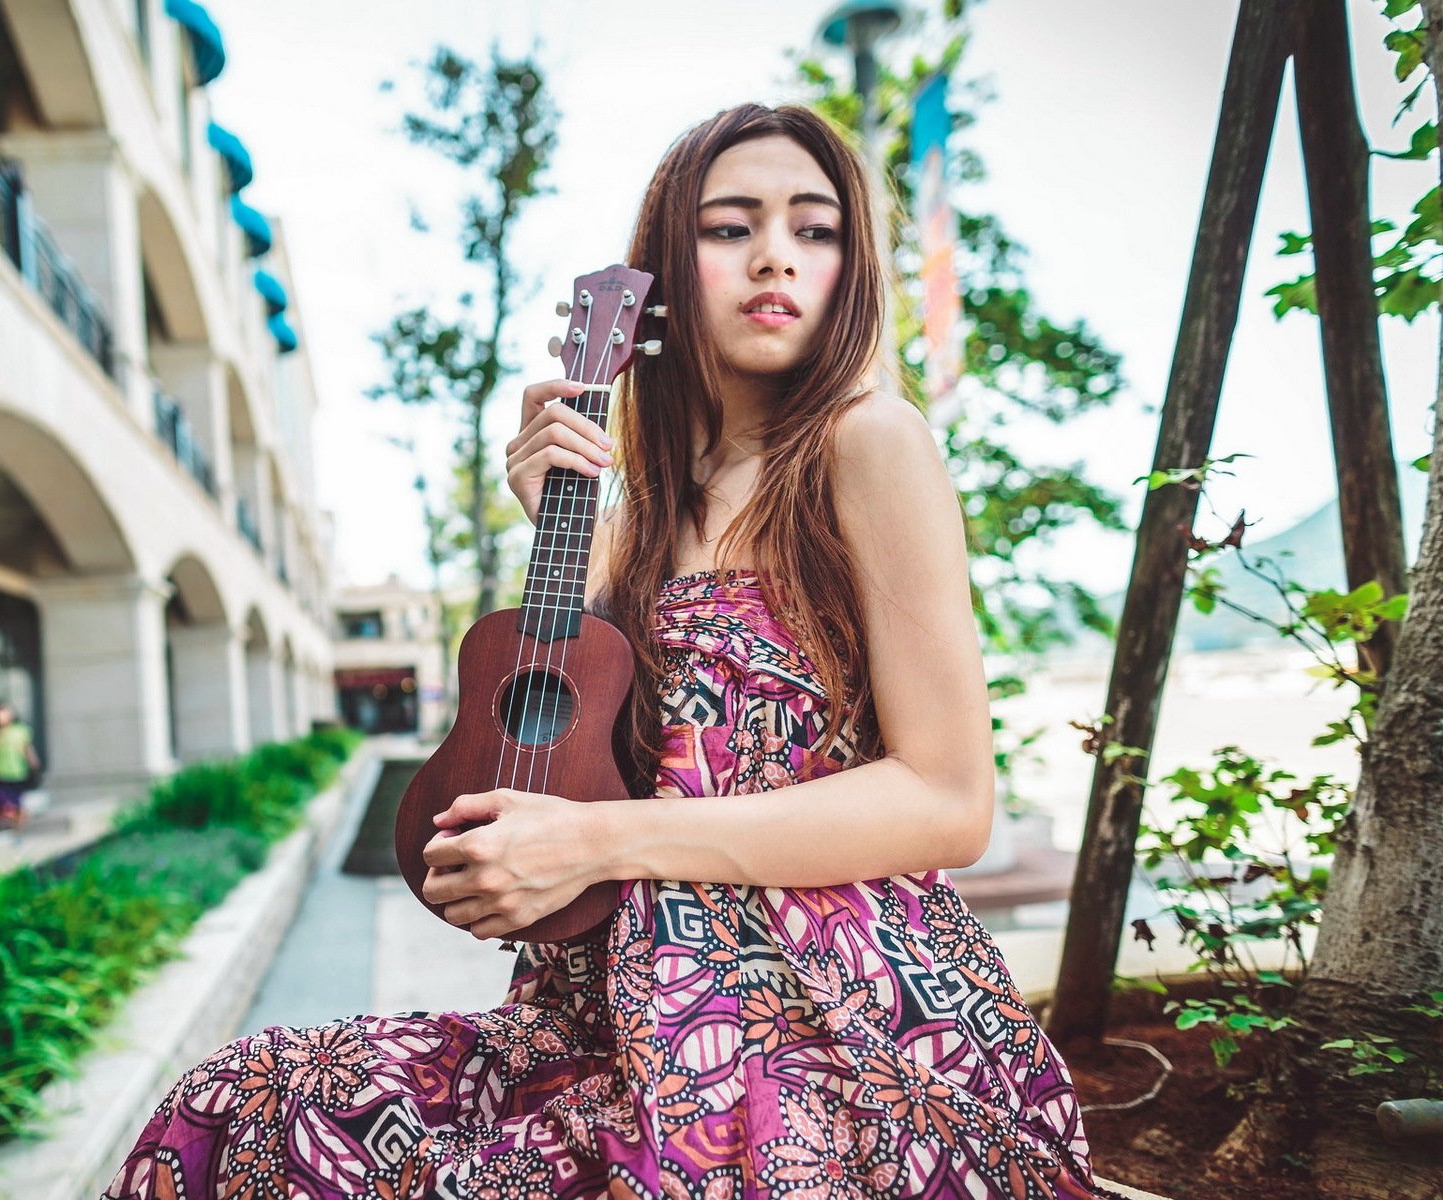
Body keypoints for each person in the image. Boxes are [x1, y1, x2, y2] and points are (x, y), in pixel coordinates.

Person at [102, 103, 1115, 1200]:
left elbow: (950, 801)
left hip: (820, 1011)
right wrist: (562, 535)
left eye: (813, 229)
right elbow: (566, 766)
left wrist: (596, 844)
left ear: (848, 267)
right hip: (604, 1010)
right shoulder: (636, 514)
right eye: (732, 227)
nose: (775, 251)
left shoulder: (866, 442)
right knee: (239, 1102)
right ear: (664, 274)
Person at [0, 701, 40, 835]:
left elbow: (26, 748)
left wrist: (32, 761)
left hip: (17, 771)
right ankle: (8, 821)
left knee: (16, 801)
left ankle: (18, 826)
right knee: (4, 801)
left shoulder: (20, 731)